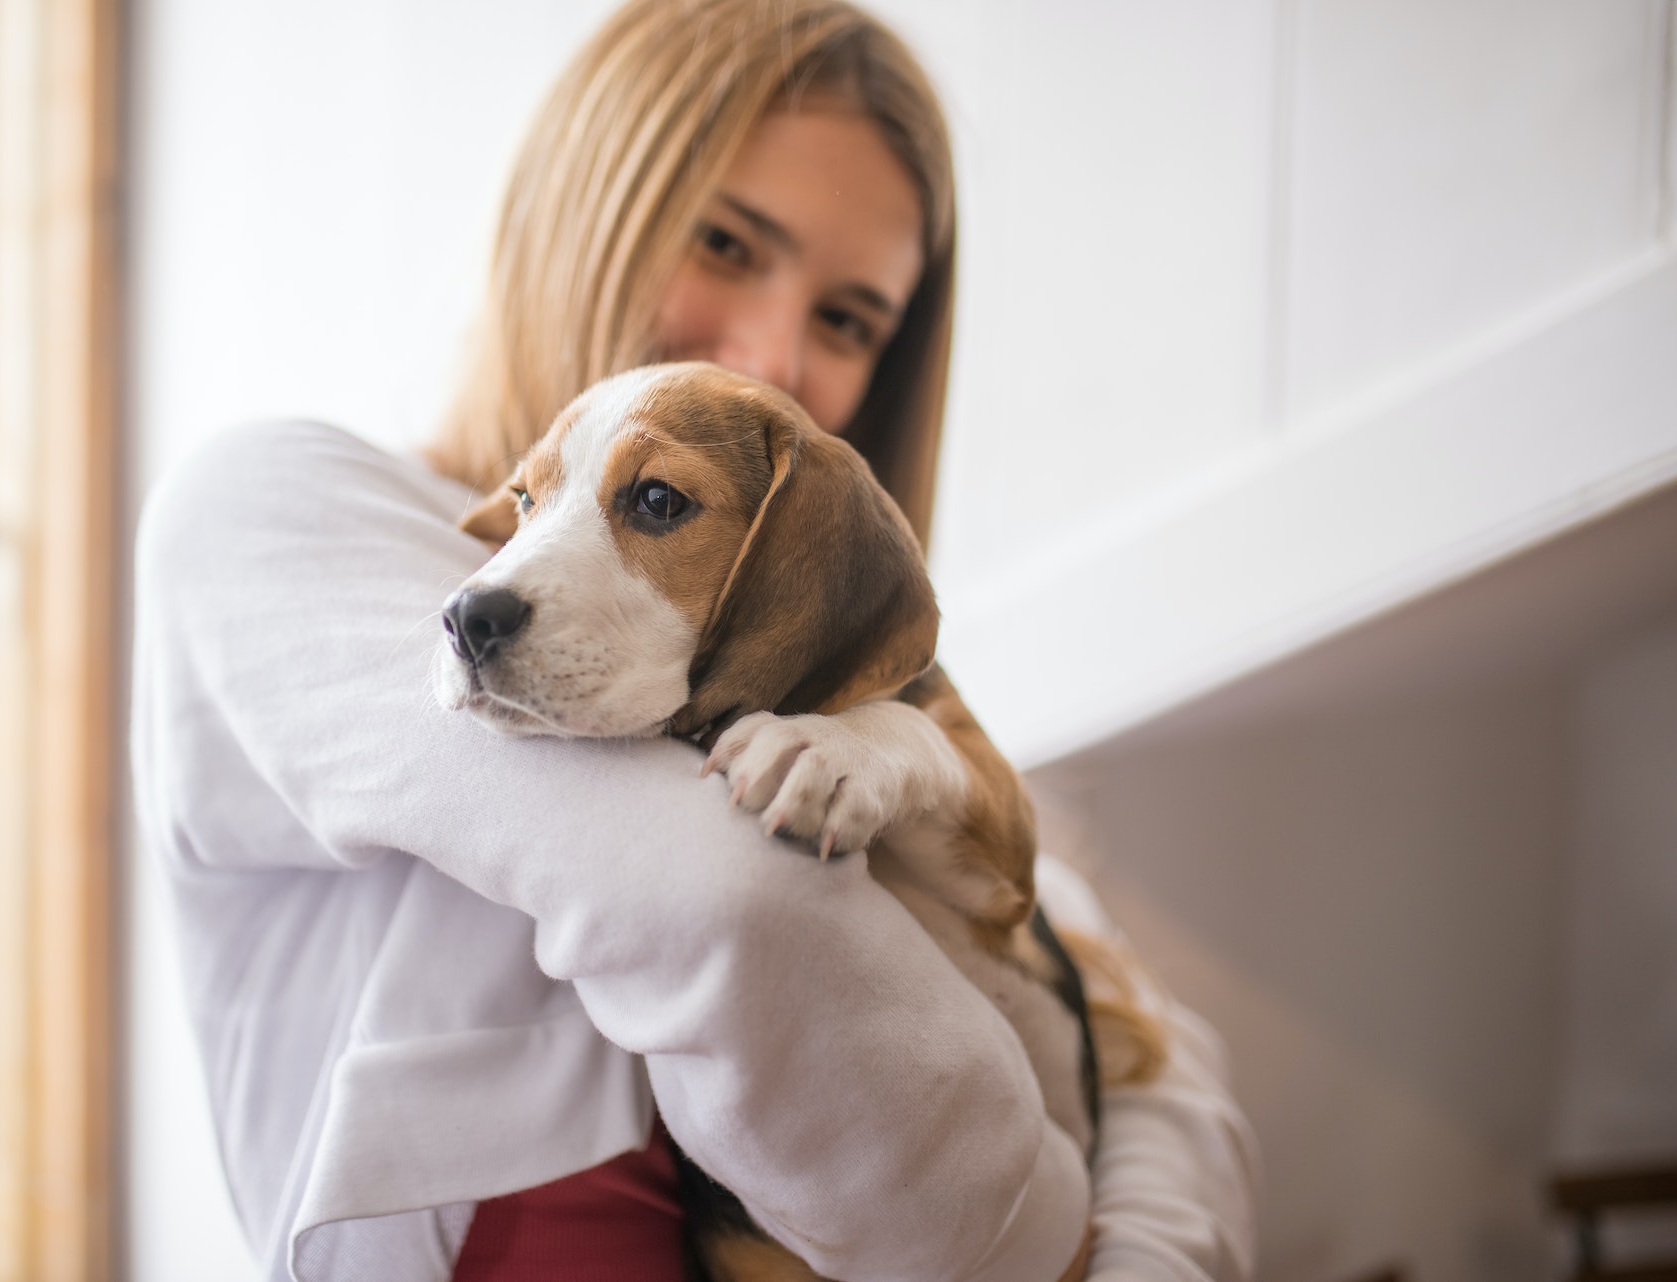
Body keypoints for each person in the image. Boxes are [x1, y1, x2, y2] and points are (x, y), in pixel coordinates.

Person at [130, 2, 1258, 1280]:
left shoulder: (825, 711)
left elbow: (1151, 1049)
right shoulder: (283, 510)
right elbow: (734, 910)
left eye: (847, 321)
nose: (773, 351)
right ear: (583, 199)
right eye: (727, 240)